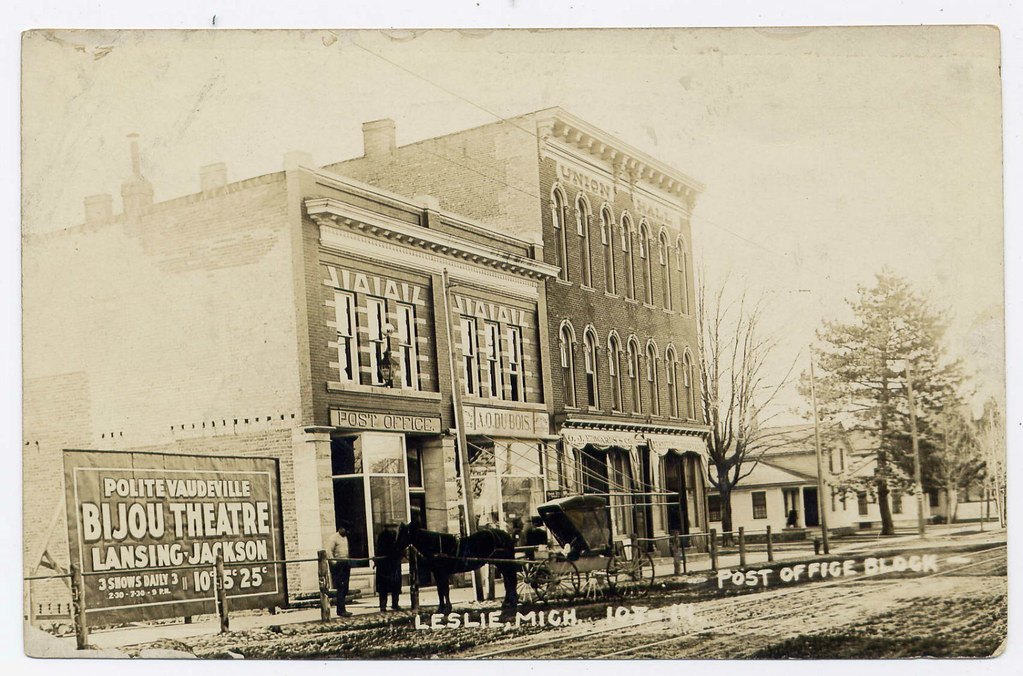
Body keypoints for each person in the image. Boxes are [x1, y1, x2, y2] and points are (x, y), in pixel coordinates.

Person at [374, 523, 402, 611]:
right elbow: (383, 550)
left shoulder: (395, 536)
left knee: (394, 586)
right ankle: (384, 605)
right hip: (385, 565)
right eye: (392, 527)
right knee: (384, 587)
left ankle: (394, 604)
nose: (393, 528)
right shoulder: (384, 537)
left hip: (392, 565)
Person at [326, 523, 353, 617]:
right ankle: (341, 610)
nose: (346, 532)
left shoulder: (345, 538)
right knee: (340, 588)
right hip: (339, 565)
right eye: (345, 529)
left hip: (345, 563)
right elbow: (329, 552)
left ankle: (342, 609)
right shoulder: (333, 538)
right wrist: (335, 564)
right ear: (341, 528)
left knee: (345, 587)